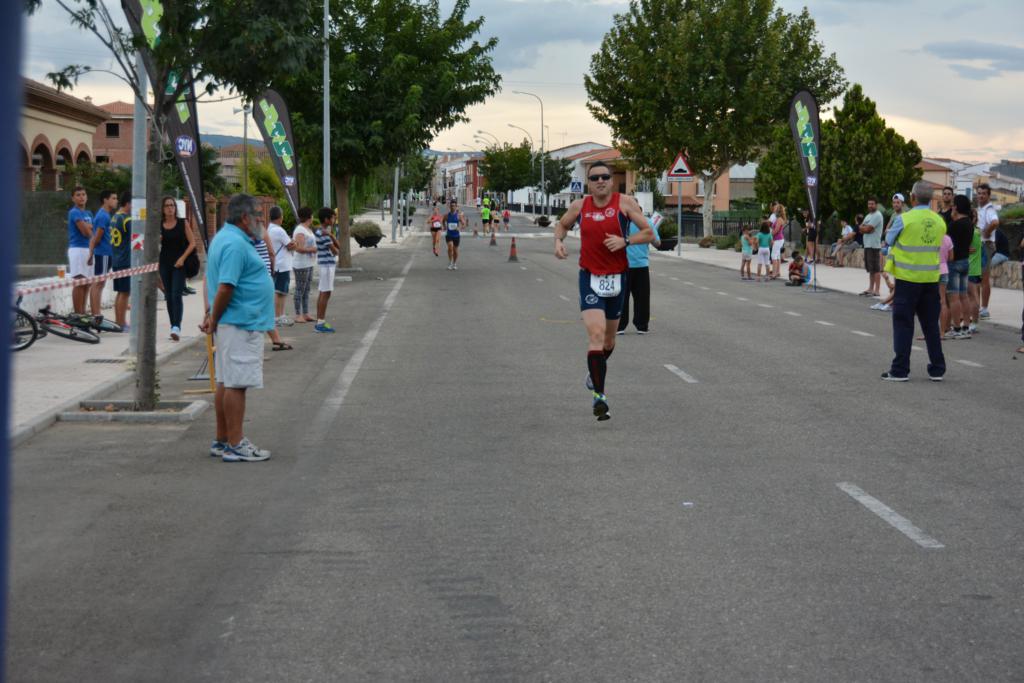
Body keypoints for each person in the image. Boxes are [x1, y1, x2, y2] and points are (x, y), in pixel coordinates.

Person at [553, 160, 654, 420]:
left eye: (605, 177)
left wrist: (625, 241)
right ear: (588, 183)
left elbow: (649, 233)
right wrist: (558, 242)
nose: (600, 181)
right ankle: (600, 397)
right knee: (596, 334)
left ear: (611, 180)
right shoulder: (579, 206)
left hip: (618, 277)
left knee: (609, 341)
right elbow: (562, 225)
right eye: (594, 177)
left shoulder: (625, 204)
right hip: (590, 277)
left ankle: (594, 372)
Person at [201, 194, 274, 463]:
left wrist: (212, 316)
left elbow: (215, 282)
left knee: (226, 381)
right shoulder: (235, 244)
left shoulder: (226, 238)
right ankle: (235, 443)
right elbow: (225, 287)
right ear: (245, 218)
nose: (261, 220)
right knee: (237, 384)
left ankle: (222, 440)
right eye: (258, 215)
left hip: (234, 322)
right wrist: (214, 318)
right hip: (240, 323)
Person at [880, 181, 946, 382]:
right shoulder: (939, 221)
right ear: (931, 199)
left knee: (903, 324)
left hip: (907, 279)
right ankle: (937, 369)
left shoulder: (904, 219)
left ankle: (900, 370)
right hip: (930, 280)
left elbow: (889, 241)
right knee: (931, 325)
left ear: (913, 198)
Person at [158, 196, 196, 341]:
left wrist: (182, 258)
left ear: (175, 208)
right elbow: (155, 245)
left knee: (176, 294)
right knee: (168, 296)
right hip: (164, 263)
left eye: (172, 205)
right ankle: (172, 326)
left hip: (179, 264)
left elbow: (192, 243)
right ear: (163, 209)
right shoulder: (160, 225)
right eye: (167, 206)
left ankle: (176, 327)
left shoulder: (182, 223)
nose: (170, 208)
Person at [617, 210, 661, 334]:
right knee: (642, 297)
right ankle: (642, 326)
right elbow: (657, 243)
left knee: (621, 297)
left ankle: (620, 326)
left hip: (622, 266)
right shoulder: (647, 223)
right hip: (641, 265)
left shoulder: (619, 222)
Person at [253, 230, 293, 351]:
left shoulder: (241, 233)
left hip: (254, 275)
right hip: (263, 274)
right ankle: (273, 340)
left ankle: (275, 339)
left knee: (263, 310)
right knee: (262, 310)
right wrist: (272, 271)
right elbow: (271, 253)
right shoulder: (261, 231)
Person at [945, 194, 974, 339]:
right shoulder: (969, 223)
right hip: (965, 261)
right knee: (964, 296)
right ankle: (966, 327)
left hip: (954, 263)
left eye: (953, 205)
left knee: (953, 298)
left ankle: (956, 328)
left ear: (956, 207)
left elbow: (948, 244)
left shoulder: (954, 225)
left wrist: (951, 218)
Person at [88, 189, 117, 316]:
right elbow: (97, 237)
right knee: (98, 283)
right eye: (113, 198)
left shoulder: (105, 215)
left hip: (105, 253)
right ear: (105, 200)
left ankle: (96, 314)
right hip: (104, 253)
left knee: (99, 283)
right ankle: (96, 314)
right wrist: (91, 252)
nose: (116, 201)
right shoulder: (103, 216)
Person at [66, 186, 93, 314]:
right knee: (80, 282)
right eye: (78, 195)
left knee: (87, 283)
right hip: (78, 250)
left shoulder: (89, 213)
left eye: (83, 194)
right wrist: (89, 227)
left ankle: (83, 313)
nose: (81, 197)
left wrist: (88, 226)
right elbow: (86, 232)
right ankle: (78, 315)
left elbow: (92, 231)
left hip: (88, 249)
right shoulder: (74, 212)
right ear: (73, 198)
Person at [265, 206, 294, 327]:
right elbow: (290, 245)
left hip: (277, 264)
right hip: (282, 264)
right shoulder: (279, 230)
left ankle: (280, 315)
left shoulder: (269, 229)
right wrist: (295, 243)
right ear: (280, 217)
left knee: (281, 291)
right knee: (279, 291)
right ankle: (277, 317)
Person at [108, 192, 132, 329]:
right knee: (125, 292)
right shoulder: (126, 219)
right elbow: (137, 236)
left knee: (120, 292)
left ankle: (118, 321)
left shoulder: (115, 217)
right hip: (125, 260)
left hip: (116, 258)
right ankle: (121, 323)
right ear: (128, 203)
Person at [314, 207, 340, 332]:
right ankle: (320, 323)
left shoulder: (324, 232)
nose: (334, 220)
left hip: (325, 265)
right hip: (327, 266)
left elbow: (338, 246)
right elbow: (336, 251)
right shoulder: (323, 234)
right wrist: (331, 236)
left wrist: (331, 235)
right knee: (325, 293)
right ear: (326, 219)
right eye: (333, 217)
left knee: (323, 292)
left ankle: (319, 321)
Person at [976, 183, 1000, 319]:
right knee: (978, 279)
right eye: (979, 193)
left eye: (984, 193)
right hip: (981, 246)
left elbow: (995, 222)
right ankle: (978, 307)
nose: (981, 196)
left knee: (984, 279)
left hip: (986, 246)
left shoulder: (989, 209)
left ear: (989, 195)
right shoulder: (981, 209)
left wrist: (986, 232)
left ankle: (984, 309)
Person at [291, 206, 317, 323]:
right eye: (312, 215)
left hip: (309, 262)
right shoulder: (300, 230)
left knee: (306, 289)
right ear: (309, 216)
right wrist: (313, 249)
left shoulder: (308, 229)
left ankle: (306, 313)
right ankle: (298, 315)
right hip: (301, 264)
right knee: (300, 289)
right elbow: (299, 248)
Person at [859, 197, 885, 297]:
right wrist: (864, 228)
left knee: (876, 269)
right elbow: (861, 229)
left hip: (874, 246)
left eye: (872, 204)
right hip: (867, 245)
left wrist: (865, 228)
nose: (870, 206)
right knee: (871, 269)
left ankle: (877, 291)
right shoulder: (868, 216)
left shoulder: (877, 215)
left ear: (876, 205)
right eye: (869, 204)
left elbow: (867, 229)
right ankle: (870, 289)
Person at [444, 199, 465, 270]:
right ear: (449, 207)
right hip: (449, 235)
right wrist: (444, 226)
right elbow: (443, 221)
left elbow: (464, 224)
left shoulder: (458, 216)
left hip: (456, 235)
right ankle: (450, 263)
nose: (452, 207)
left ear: (456, 207)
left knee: (455, 250)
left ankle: (454, 263)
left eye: (454, 206)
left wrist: (459, 228)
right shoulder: (447, 215)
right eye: (451, 206)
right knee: (450, 247)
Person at [770, 204, 786, 279]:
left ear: (778, 210)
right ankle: (777, 272)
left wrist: (770, 235)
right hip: (778, 239)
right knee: (777, 256)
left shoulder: (779, 219)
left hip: (778, 239)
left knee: (773, 255)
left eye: (775, 208)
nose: (774, 209)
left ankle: (774, 273)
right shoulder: (778, 218)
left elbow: (776, 230)